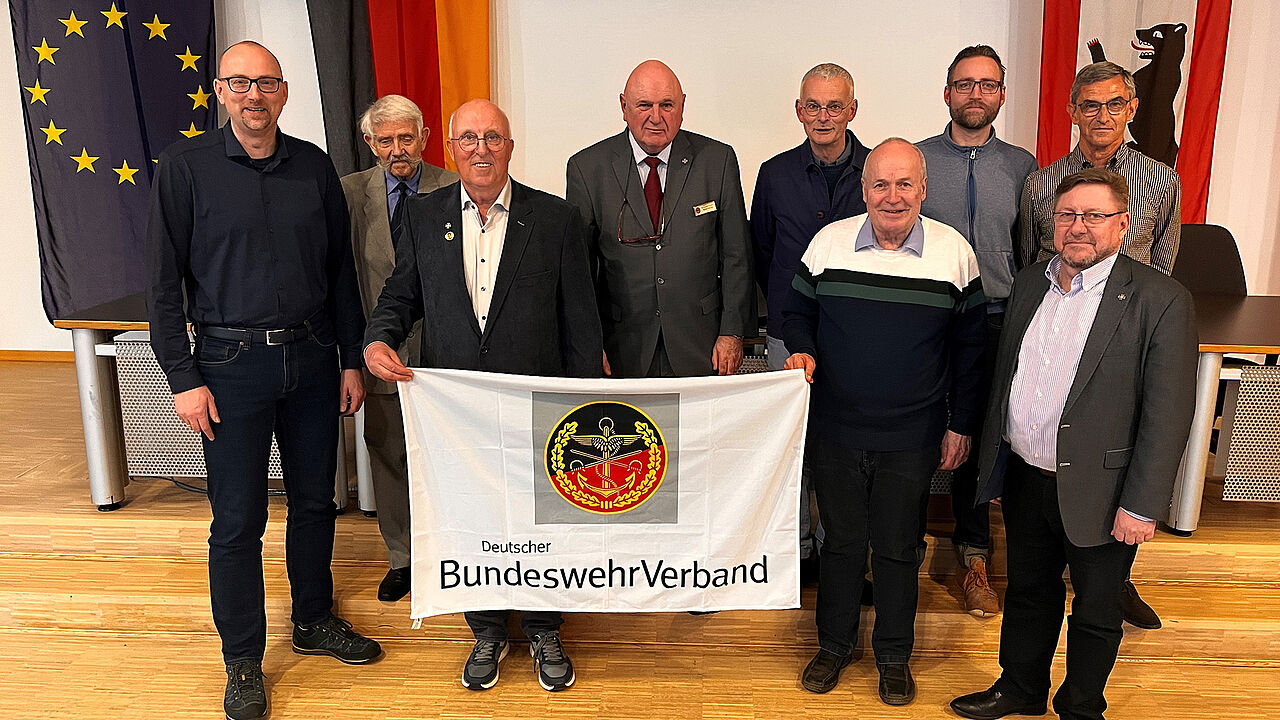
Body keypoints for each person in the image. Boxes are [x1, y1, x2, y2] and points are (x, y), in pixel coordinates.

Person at [146, 40, 380, 720]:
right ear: (221, 91)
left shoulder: (312, 165)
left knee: (315, 503)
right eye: (241, 83)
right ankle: (243, 660)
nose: (255, 95)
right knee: (238, 521)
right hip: (228, 368)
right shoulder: (184, 169)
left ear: (283, 92)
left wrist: (349, 357)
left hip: (312, 360)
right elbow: (162, 286)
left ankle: (313, 620)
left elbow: (340, 272)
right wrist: (182, 377)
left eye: (268, 83)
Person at [363, 99, 602, 693]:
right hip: (457, 411)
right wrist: (378, 337)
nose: (480, 149)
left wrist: (583, 403)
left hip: (538, 407)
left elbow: (581, 321)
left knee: (541, 519)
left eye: (492, 137)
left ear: (510, 147)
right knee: (473, 518)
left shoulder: (555, 219)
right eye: (468, 138)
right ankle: (487, 628)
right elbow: (401, 294)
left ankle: (545, 627)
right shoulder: (423, 215)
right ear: (450, 148)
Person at [951, 169, 1196, 720]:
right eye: (1067, 215)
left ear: (1123, 224)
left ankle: (1082, 707)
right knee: (1028, 592)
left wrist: (1142, 504)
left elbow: (1168, 413)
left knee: (1097, 611)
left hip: (1105, 491)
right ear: (1052, 222)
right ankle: (1021, 689)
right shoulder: (1030, 283)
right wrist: (996, 464)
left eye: (1094, 215)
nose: (1078, 226)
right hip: (1026, 477)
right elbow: (1006, 378)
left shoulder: (1160, 299)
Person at [783, 138, 986, 705]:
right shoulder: (828, 244)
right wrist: (801, 348)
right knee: (842, 545)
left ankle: (894, 655)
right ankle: (834, 645)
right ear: (864, 189)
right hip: (835, 428)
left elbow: (972, 352)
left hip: (912, 434)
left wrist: (961, 425)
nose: (892, 197)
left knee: (898, 549)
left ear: (923, 189)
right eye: (880, 184)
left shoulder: (955, 253)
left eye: (904, 185)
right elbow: (795, 312)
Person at [1020, 60, 1182, 629]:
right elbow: (1031, 266)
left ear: (1132, 108)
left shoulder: (1161, 180)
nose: (1103, 116)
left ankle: (1115, 580)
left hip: (1124, 349)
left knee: (1115, 468)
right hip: (1059, 344)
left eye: (1115, 104)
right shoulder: (1041, 183)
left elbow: (1163, 265)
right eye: (1090, 105)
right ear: (1072, 112)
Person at [917, 44, 1037, 618]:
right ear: (947, 93)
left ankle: (973, 556)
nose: (975, 94)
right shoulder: (917, 159)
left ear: (1002, 95)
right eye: (964, 84)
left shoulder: (1022, 166)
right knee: (918, 433)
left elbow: (1031, 251)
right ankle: (902, 549)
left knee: (976, 438)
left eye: (987, 85)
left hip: (994, 318)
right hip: (926, 318)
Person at [751, 62, 870, 585]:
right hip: (788, 333)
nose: (824, 116)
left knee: (846, 448)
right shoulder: (774, 174)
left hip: (855, 335)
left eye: (834, 106)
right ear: (799, 111)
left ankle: (837, 550)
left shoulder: (876, 171)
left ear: (852, 110)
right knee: (792, 445)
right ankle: (796, 552)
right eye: (814, 106)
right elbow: (762, 251)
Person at [566, 59, 754, 379]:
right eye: (644, 105)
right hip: (621, 345)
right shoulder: (587, 168)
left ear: (682, 107)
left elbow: (737, 256)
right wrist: (587, 341)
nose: (656, 117)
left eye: (667, 105)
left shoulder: (717, 160)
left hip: (702, 344)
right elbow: (578, 270)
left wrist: (732, 332)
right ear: (624, 107)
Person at [340, 94, 457, 603]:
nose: (397, 150)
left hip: (446, 356)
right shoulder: (348, 194)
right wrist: (353, 356)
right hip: (381, 353)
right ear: (370, 143)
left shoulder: (453, 187)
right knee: (389, 457)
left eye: (406, 138)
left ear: (424, 139)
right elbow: (342, 282)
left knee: (451, 458)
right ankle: (403, 557)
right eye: (385, 140)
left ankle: (453, 551)